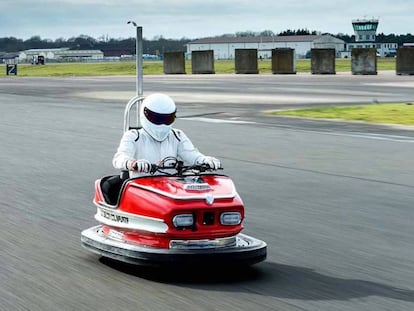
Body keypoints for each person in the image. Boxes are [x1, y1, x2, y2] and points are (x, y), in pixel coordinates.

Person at [112, 93, 221, 178]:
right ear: (145, 114)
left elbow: (191, 154)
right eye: (157, 119)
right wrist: (132, 163)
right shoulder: (133, 136)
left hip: (170, 188)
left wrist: (205, 160)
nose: (163, 124)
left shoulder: (177, 135)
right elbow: (119, 158)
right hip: (140, 188)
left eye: (167, 119)